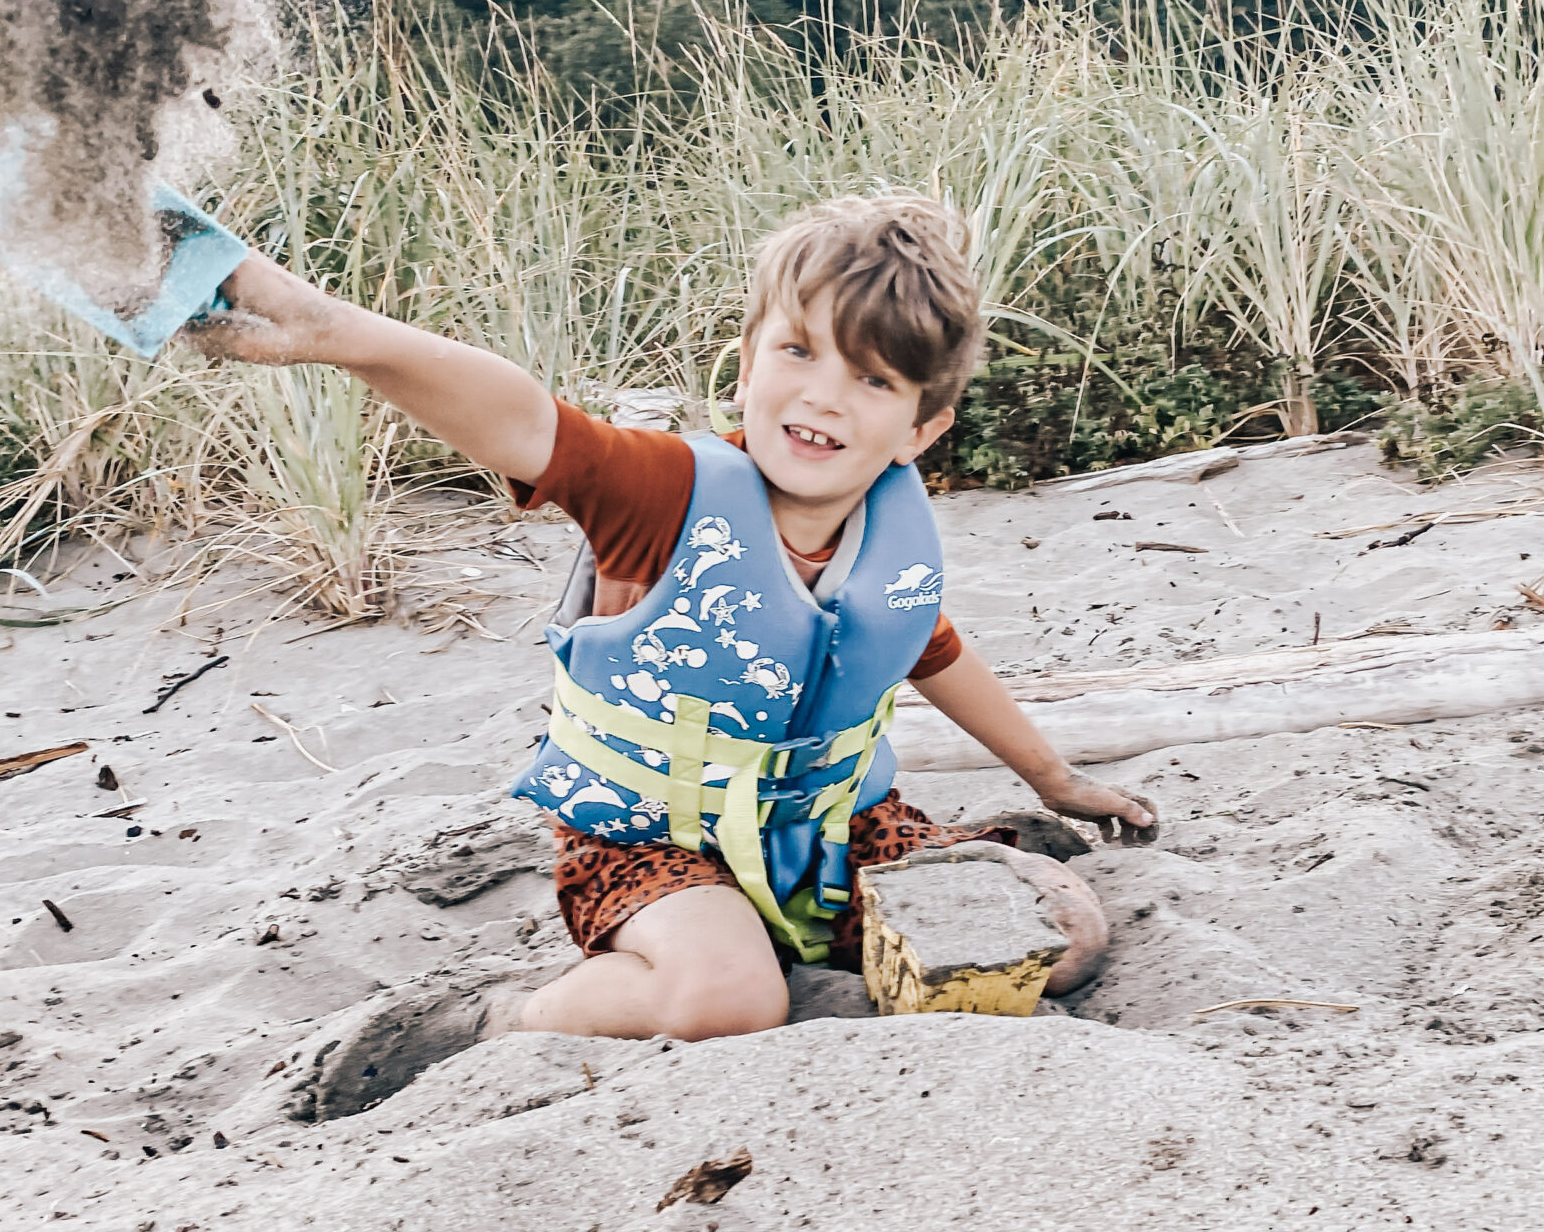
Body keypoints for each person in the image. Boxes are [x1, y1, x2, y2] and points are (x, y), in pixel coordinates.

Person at [188, 193, 1157, 1041]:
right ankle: (508, 1018)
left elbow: (927, 649)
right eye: (798, 349)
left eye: (874, 379)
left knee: (1066, 938)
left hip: (826, 834)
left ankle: (875, 909)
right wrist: (332, 332)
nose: (823, 394)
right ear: (746, 361)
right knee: (727, 1001)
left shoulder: (881, 537)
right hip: (648, 847)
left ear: (920, 428)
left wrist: (1054, 778)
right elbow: (522, 419)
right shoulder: (662, 492)